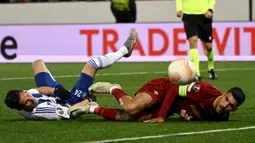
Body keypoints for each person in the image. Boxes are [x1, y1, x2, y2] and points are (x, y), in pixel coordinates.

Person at [4, 29, 138, 120]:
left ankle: (59, 90)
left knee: (37, 63)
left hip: (55, 96)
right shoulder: (42, 113)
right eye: (27, 102)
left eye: (26, 95)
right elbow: (71, 113)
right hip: (71, 102)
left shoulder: (24, 98)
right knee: (91, 65)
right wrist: (88, 100)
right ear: (21, 108)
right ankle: (124, 50)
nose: (30, 98)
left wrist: (54, 90)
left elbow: (37, 90)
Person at [68, 78, 245, 122]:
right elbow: (175, 89)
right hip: (164, 89)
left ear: (234, 109)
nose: (226, 105)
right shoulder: (205, 90)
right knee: (131, 108)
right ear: (223, 94)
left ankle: (91, 108)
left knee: (129, 118)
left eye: (231, 106)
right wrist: (161, 116)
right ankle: (114, 88)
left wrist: (186, 115)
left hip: (172, 107)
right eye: (227, 99)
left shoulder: (222, 116)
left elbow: (190, 109)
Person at [176, 0, 217, 80]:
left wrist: (210, 9)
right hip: (189, 16)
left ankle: (211, 67)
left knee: (208, 46)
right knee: (193, 40)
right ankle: (196, 73)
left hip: (204, 16)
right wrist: (179, 9)